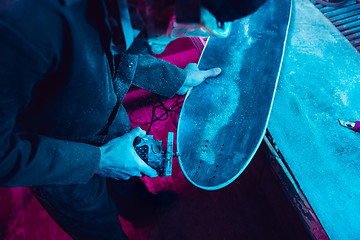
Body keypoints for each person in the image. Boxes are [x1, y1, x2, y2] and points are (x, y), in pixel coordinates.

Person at [0, 0, 266, 239]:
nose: (177, 34)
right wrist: (99, 160)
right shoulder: (21, 25)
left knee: (129, 185)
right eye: (185, 22)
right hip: (60, 159)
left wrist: (179, 79)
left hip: (108, 118)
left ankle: (142, 210)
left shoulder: (127, 8)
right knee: (98, 223)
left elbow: (111, 51)